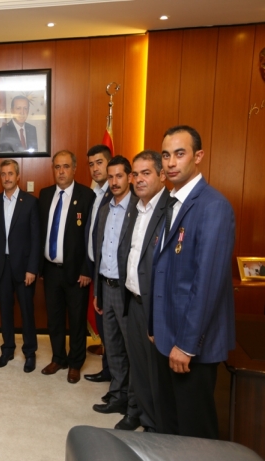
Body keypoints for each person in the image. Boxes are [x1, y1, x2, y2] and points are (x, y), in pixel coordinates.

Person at [151, 125, 235, 439]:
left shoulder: (213, 206)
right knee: (169, 426)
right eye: (166, 155)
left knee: (194, 435)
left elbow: (207, 284)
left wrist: (186, 346)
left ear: (198, 157)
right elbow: (163, 269)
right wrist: (154, 327)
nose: (171, 162)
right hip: (166, 337)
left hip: (190, 346)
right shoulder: (172, 202)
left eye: (180, 154)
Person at [91, 156, 139, 430]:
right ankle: (118, 395)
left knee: (132, 352)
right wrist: (97, 291)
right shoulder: (105, 209)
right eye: (110, 177)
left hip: (126, 291)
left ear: (129, 177)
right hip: (106, 287)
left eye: (119, 176)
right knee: (113, 348)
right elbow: (100, 252)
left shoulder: (138, 208)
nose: (114, 182)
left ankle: (134, 406)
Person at [123, 150, 169, 432]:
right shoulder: (136, 207)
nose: (139, 179)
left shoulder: (170, 209)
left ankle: (158, 431)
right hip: (134, 301)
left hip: (156, 307)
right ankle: (146, 422)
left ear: (162, 175)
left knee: (157, 375)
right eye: (135, 174)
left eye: (146, 173)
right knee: (139, 369)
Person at [39, 150, 95, 383]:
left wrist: (86, 269)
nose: (61, 171)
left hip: (77, 271)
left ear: (74, 169)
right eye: (57, 167)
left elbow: (91, 236)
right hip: (50, 270)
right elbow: (40, 232)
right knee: (54, 318)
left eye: (65, 167)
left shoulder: (87, 195)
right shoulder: (45, 195)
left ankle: (75, 363)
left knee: (76, 319)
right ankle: (58, 358)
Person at [0, 159, 40, 373]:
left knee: (27, 311)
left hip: (24, 267)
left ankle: (30, 352)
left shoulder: (30, 202)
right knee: (5, 311)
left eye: (10, 174)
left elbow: (36, 238)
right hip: (1, 266)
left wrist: (32, 269)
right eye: (3, 174)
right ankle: (7, 349)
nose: (7, 178)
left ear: (18, 176)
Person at [83, 145, 113, 385]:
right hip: (96, 269)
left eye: (99, 162)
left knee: (113, 329)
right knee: (104, 325)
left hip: (111, 272)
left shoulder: (117, 194)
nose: (95, 168)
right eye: (91, 164)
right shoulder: (94, 194)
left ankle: (117, 378)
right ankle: (108, 371)